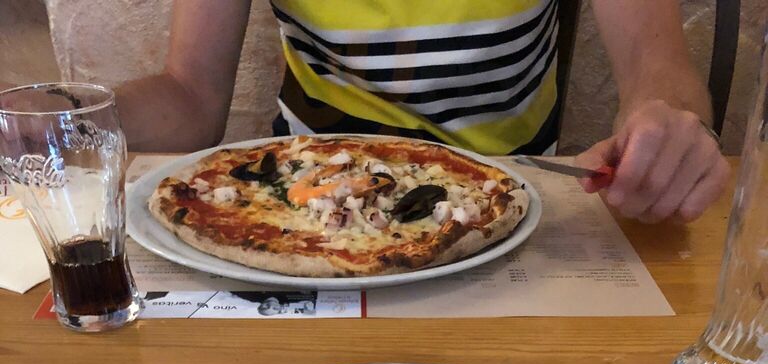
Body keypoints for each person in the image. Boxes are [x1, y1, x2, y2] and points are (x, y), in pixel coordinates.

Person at [115, 0, 730, 224]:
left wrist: (670, 131)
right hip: (296, 204)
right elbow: (190, 97)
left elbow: (658, 69)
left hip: (503, 206)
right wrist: (74, 119)